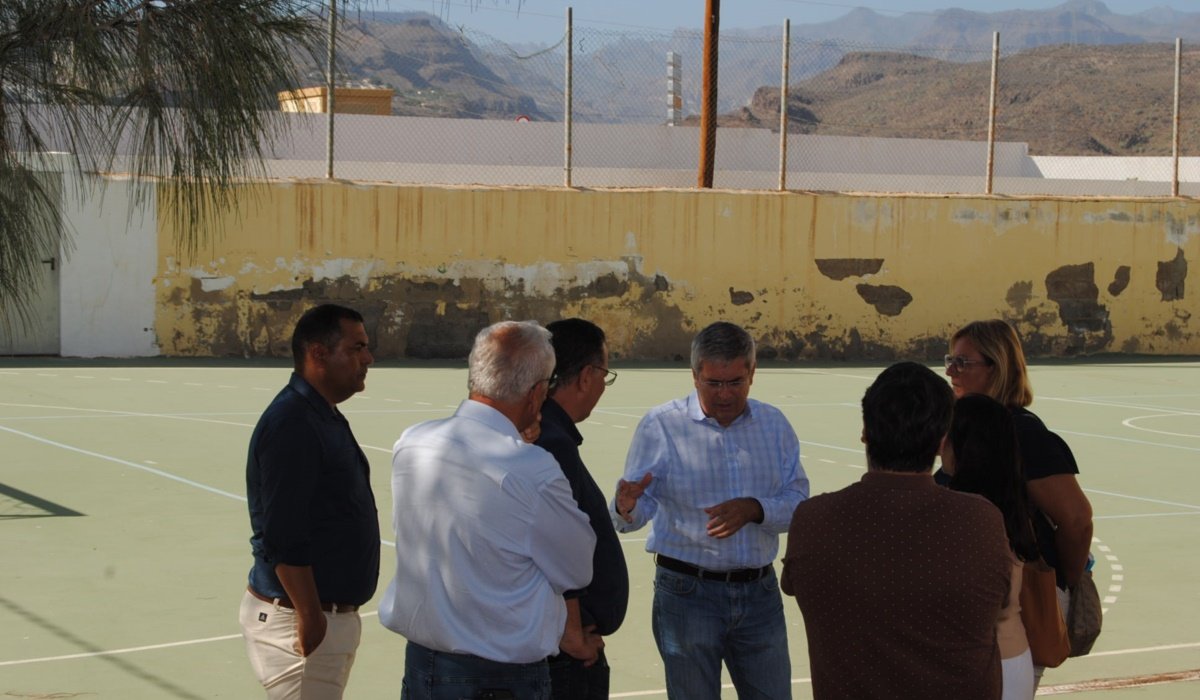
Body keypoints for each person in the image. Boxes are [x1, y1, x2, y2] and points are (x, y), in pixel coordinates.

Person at [380, 320, 597, 700]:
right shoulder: (532, 470)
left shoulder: (412, 442)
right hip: (498, 679)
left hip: (422, 663)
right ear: (537, 393)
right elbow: (577, 568)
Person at [782, 362, 1011, 699]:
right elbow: (999, 603)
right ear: (941, 441)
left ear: (865, 431)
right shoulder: (981, 521)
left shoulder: (814, 520)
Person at [612, 321, 808, 700]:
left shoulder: (774, 426)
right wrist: (626, 506)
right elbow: (634, 514)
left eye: (735, 382)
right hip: (687, 594)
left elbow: (799, 503)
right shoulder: (662, 425)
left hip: (760, 595)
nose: (724, 395)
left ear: (752, 373)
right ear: (694, 375)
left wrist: (755, 509)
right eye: (713, 383)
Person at [239, 303, 380, 699]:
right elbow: (282, 532)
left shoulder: (321, 413)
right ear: (318, 353)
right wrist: (310, 616)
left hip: (320, 616)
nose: (368, 358)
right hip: (301, 620)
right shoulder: (294, 422)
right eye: (357, 348)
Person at [945, 319, 1094, 663]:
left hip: (1021, 597)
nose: (952, 371)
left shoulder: (1024, 435)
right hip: (980, 594)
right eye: (950, 360)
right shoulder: (968, 429)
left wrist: (1064, 582)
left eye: (963, 363)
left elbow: (1077, 519)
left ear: (999, 368)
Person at [535, 318, 630, 700]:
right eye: (604, 376)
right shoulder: (551, 441)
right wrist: (572, 632)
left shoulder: (548, 433)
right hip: (564, 652)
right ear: (588, 375)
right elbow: (555, 544)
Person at [943, 394, 1041, 700]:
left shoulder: (965, 514)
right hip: (1013, 656)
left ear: (962, 444)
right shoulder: (1011, 502)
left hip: (978, 661)